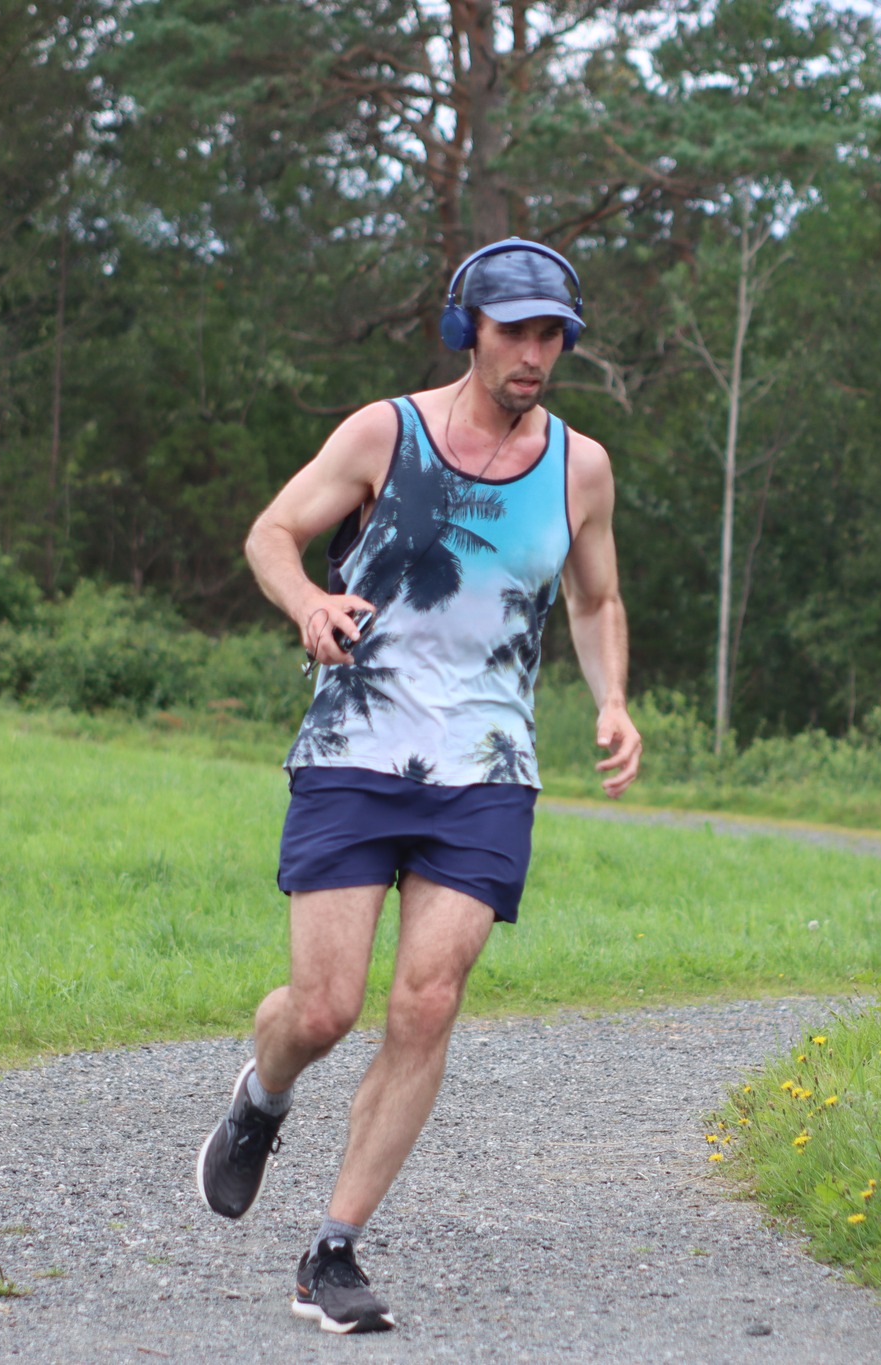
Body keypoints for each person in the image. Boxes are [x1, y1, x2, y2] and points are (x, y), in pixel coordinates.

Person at [195, 239, 642, 1335]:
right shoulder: (382, 434)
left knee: (427, 1000)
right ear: (466, 330)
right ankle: (261, 1097)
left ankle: (332, 1250)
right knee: (324, 1008)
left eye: (552, 335)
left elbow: (594, 600)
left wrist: (612, 701)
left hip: (487, 769)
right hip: (355, 749)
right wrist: (308, 601)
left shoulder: (579, 467)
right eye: (515, 331)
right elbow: (270, 533)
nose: (535, 353)